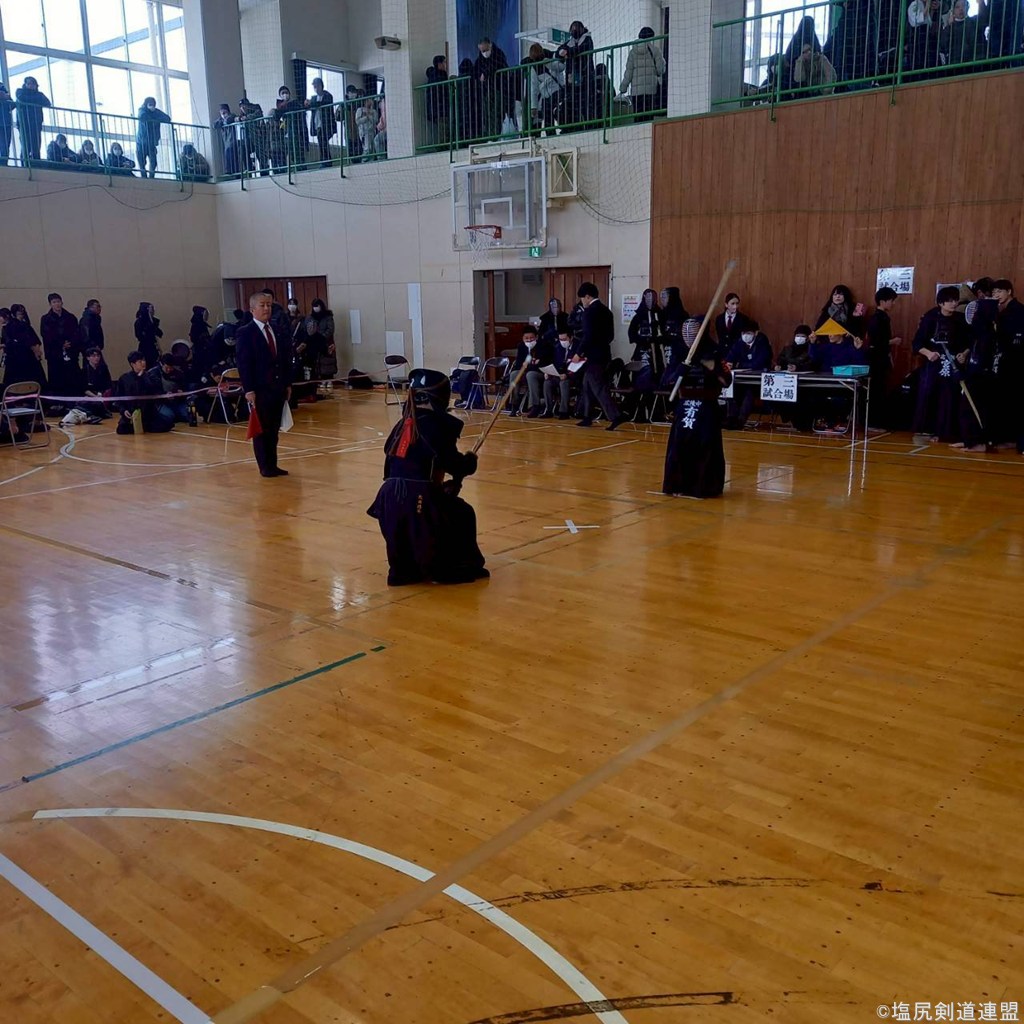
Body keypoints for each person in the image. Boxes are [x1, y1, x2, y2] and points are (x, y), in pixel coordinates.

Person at [367, 367, 488, 586]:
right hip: (416, 498)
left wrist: (438, 489)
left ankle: (405, 569)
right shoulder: (436, 425)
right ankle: (456, 565)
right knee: (462, 513)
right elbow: (454, 464)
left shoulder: (403, 425)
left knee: (448, 508)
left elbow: (395, 469)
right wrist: (469, 462)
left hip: (388, 499)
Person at [662, 320, 732, 498]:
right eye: (686, 333)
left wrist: (712, 367)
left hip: (706, 407)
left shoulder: (713, 352)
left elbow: (726, 380)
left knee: (705, 446)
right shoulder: (679, 353)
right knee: (679, 446)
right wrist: (679, 371)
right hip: (684, 405)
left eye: (693, 334)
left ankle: (703, 487)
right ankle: (678, 485)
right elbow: (666, 381)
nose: (689, 338)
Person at [236, 291, 293, 477]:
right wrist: (249, 389)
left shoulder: (277, 329)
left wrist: (287, 384)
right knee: (262, 430)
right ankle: (264, 466)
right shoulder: (246, 332)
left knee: (274, 429)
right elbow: (244, 364)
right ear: (253, 309)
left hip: (277, 388)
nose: (267, 308)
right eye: (262, 305)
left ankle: (273, 464)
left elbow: (284, 359)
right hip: (260, 389)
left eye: (269, 305)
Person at [911, 285, 971, 442]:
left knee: (950, 396)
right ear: (941, 303)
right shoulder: (930, 317)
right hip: (933, 363)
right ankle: (925, 429)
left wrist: (963, 355)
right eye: (949, 301)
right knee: (929, 392)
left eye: (955, 300)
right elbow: (917, 343)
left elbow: (969, 343)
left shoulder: (960, 319)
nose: (953, 304)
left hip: (953, 364)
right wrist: (928, 353)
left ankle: (945, 432)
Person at [572, 282, 626, 429]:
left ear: (587, 297)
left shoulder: (589, 312)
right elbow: (610, 336)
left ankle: (616, 415)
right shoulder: (607, 312)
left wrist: (579, 353)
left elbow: (587, 336)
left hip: (593, 356)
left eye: (582, 298)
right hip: (604, 354)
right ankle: (587, 416)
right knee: (587, 385)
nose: (582, 302)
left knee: (598, 386)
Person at [992, 278, 1024, 452]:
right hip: (1005, 363)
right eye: (994, 292)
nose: (996, 295)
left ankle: (1017, 441)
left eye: (999, 291)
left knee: (1016, 402)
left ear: (1009, 292)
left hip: (1017, 364)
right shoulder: (1000, 312)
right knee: (1006, 402)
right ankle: (1009, 439)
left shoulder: (1019, 310)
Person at [864, 287, 901, 428]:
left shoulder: (883, 317)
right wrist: (893, 341)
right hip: (876, 360)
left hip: (881, 358)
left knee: (880, 390)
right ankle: (873, 423)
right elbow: (875, 342)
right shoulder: (877, 318)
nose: (893, 303)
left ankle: (877, 422)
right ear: (882, 301)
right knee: (876, 391)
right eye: (891, 300)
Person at [724, 322, 773, 428]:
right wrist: (729, 363)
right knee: (731, 388)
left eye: (749, 333)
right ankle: (731, 418)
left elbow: (758, 363)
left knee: (749, 392)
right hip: (742, 378)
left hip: (759, 380)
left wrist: (740, 365)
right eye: (743, 333)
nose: (746, 336)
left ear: (756, 333)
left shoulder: (762, 342)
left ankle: (740, 421)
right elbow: (730, 356)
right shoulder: (740, 342)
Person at [116, 350, 174, 434]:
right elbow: (119, 398)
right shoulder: (124, 379)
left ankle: (144, 426)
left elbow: (156, 391)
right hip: (131, 412)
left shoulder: (150, 376)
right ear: (133, 364)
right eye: (140, 361)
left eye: (144, 360)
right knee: (121, 429)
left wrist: (165, 394)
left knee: (167, 424)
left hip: (148, 413)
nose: (143, 363)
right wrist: (124, 410)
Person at [627, 289, 663, 417]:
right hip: (641, 351)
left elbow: (663, 332)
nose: (650, 301)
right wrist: (643, 340)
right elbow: (631, 333)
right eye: (647, 298)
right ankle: (637, 410)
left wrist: (657, 339)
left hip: (656, 353)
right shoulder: (639, 316)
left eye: (652, 298)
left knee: (655, 376)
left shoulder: (659, 314)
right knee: (640, 377)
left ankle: (655, 410)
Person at [39, 292, 82, 401]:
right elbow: (46, 335)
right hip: (54, 354)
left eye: (58, 301)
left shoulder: (70, 317)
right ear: (50, 304)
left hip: (70, 352)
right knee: (56, 378)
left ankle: (74, 400)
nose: (57, 304)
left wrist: (70, 343)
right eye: (54, 302)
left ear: (62, 302)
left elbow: (76, 333)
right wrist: (61, 344)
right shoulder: (46, 319)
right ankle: (58, 402)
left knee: (72, 377)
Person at [620, 27, 666, 122]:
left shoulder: (632, 52)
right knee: (648, 117)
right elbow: (660, 70)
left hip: (636, 91)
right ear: (651, 37)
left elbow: (628, 72)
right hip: (651, 89)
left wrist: (623, 88)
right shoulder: (656, 50)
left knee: (638, 116)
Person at [558, 21, 596, 129]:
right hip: (572, 81)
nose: (574, 31)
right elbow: (558, 52)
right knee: (573, 105)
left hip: (586, 79)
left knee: (586, 105)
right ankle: (576, 127)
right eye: (572, 29)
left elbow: (580, 49)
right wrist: (563, 52)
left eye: (576, 29)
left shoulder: (587, 40)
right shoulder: (570, 42)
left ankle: (589, 127)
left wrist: (567, 52)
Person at [3, 305, 47, 390]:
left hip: (29, 357)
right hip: (17, 358)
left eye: (22, 312)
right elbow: (15, 341)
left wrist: (37, 349)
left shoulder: (26, 325)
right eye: (19, 312)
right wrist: (32, 346)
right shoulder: (10, 326)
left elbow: (35, 339)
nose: (21, 314)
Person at [475, 37, 511, 138]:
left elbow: (496, 65)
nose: (485, 53)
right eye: (482, 51)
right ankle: (490, 136)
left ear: (490, 45)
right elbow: (476, 70)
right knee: (487, 114)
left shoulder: (498, 54)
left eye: (486, 50)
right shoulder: (480, 59)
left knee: (496, 113)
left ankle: (495, 135)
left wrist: (485, 74)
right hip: (487, 91)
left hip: (499, 89)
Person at [526, 44, 564, 135]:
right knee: (550, 117)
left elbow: (534, 89)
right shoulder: (534, 67)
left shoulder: (549, 60)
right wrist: (534, 107)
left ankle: (553, 134)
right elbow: (534, 89)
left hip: (553, 93)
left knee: (553, 116)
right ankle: (556, 132)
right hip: (549, 95)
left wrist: (534, 107)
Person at [543, 328, 577, 419]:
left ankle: (564, 411)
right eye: (560, 339)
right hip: (559, 374)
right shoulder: (558, 347)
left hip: (572, 376)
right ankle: (548, 410)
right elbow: (555, 362)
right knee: (547, 382)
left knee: (564, 383)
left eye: (564, 339)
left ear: (571, 337)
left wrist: (567, 374)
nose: (562, 342)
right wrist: (549, 372)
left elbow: (579, 366)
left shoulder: (577, 347)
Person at [15, 76, 50, 162]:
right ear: (25, 84)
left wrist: (32, 100)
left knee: (36, 146)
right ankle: (25, 164)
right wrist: (36, 100)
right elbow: (22, 99)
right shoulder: (20, 91)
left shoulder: (39, 94)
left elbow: (47, 103)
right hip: (24, 124)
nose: (31, 86)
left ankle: (36, 164)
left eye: (33, 84)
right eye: (29, 84)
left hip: (36, 124)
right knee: (26, 146)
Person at [136, 96, 171, 178]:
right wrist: (156, 119)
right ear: (146, 104)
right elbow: (143, 117)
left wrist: (154, 117)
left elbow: (167, 118)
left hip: (152, 142)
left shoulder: (156, 112)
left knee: (153, 162)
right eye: (150, 105)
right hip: (142, 142)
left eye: (153, 105)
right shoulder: (142, 110)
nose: (152, 107)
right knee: (142, 162)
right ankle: (144, 177)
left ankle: (151, 177)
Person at [305, 77, 337, 166]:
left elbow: (323, 104)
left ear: (321, 86)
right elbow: (310, 106)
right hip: (317, 124)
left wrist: (311, 103)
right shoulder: (313, 98)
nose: (316, 88)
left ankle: (326, 161)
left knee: (323, 141)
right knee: (321, 142)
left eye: (317, 86)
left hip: (326, 124)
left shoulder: (328, 96)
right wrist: (307, 104)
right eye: (314, 87)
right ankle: (325, 160)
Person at [274, 85, 307, 170]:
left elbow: (298, 110)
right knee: (292, 153)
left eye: (286, 92)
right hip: (288, 132)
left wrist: (286, 106)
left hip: (297, 131)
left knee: (299, 152)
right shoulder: (280, 106)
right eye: (283, 93)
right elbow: (276, 116)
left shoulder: (295, 103)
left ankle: (301, 168)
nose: (285, 94)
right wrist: (281, 107)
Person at [304, 298, 337, 383]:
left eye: (317, 306)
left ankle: (328, 380)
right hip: (313, 344)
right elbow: (307, 330)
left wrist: (321, 338)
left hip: (326, 342)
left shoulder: (328, 317)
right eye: (314, 306)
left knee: (327, 363)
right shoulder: (309, 318)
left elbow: (330, 329)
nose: (315, 308)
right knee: (314, 364)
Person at [714, 293, 755, 360]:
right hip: (722, 354)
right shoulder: (719, 319)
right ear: (726, 304)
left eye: (737, 303)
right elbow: (720, 336)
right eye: (732, 304)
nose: (735, 306)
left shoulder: (743, 319)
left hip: (737, 355)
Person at [239, 97, 271, 175]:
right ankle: (249, 169)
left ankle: (264, 172)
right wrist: (239, 119)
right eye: (241, 107)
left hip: (259, 136)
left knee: (261, 155)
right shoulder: (242, 115)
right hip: (249, 139)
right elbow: (236, 118)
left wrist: (247, 118)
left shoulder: (256, 108)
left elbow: (258, 113)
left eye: (244, 106)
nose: (243, 108)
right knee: (243, 149)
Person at [424, 57, 450, 148]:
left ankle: (443, 146)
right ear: (439, 64)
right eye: (444, 62)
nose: (445, 65)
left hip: (437, 110)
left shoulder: (434, 76)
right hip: (440, 109)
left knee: (443, 129)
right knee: (444, 129)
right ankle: (443, 147)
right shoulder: (439, 77)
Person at [455, 58, 482, 142]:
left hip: (462, 107)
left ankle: (465, 140)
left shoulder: (459, 80)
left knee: (464, 124)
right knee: (474, 123)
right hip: (473, 104)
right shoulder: (472, 78)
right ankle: (475, 138)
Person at [83, 347, 113, 418]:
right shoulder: (84, 371)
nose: (96, 358)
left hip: (102, 395)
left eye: (98, 356)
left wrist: (103, 395)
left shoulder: (104, 369)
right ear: (88, 358)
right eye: (93, 356)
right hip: (90, 395)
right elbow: (84, 389)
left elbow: (108, 384)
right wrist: (95, 397)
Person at [134, 302, 163, 367]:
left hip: (154, 346)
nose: (153, 311)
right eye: (151, 309)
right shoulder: (139, 322)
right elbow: (140, 336)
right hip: (145, 348)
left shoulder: (153, 321)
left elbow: (160, 334)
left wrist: (152, 322)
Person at [216, 103, 240, 175]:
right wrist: (222, 121)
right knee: (228, 156)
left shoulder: (232, 116)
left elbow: (228, 120)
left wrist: (223, 121)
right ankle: (229, 171)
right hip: (226, 142)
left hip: (233, 141)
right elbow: (215, 125)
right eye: (221, 113)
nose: (223, 115)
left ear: (228, 111)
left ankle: (234, 172)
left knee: (234, 157)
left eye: (224, 112)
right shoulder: (221, 119)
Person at [189, 306, 212, 377]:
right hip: (199, 350)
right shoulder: (196, 325)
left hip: (205, 350)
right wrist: (203, 339)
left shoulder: (202, 324)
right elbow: (193, 338)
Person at [0, 82, 14, 166]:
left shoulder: (2, 87)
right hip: (4, 122)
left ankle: (4, 164)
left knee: (5, 145)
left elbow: (12, 105)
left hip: (6, 123)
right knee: (3, 145)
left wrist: (5, 96)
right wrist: (4, 97)